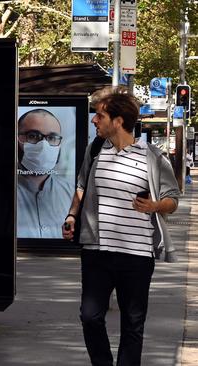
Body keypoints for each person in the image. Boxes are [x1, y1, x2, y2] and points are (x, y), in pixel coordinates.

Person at [62, 87, 180, 366]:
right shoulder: (95, 151)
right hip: (97, 250)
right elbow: (81, 187)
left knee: (132, 324)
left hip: (137, 255)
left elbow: (172, 199)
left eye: (100, 115)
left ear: (118, 121)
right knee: (90, 317)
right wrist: (71, 216)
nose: (94, 120)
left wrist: (155, 206)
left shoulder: (152, 157)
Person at [17, 109, 74, 238]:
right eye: (33, 136)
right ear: (16, 139)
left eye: (52, 138)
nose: (43, 145)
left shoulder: (71, 194)